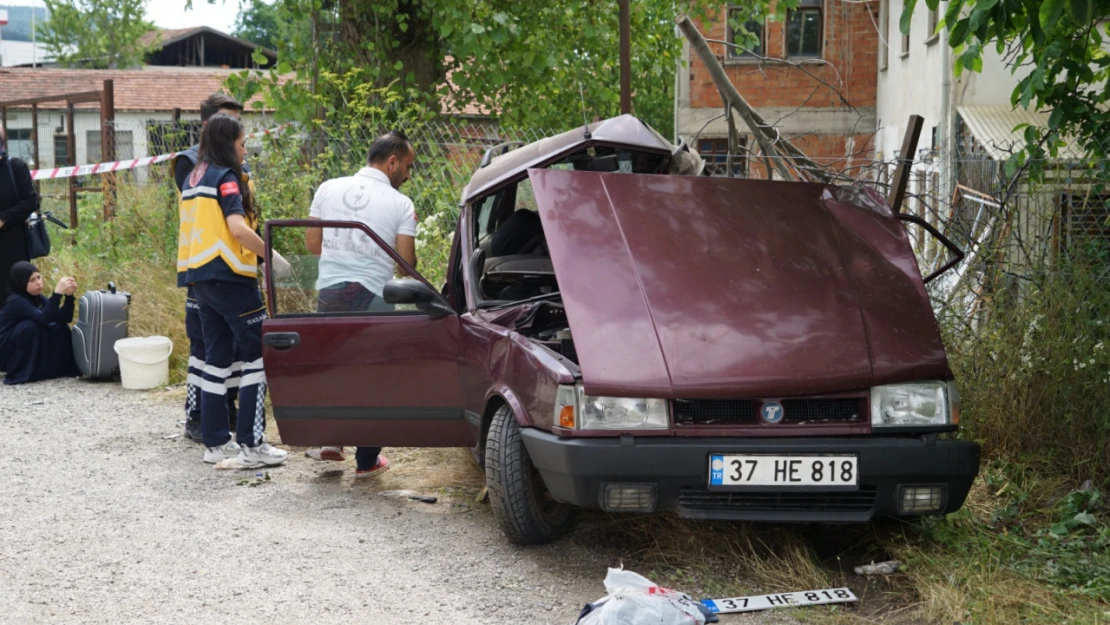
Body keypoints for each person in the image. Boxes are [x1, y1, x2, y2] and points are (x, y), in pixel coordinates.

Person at [302, 130, 420, 478]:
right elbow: (405, 264)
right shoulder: (401, 204)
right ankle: (367, 461)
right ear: (392, 162)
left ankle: (331, 440)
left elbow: (312, 244)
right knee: (373, 375)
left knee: (335, 365)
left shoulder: (327, 188)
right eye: (408, 166)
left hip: (330, 290)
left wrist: (344, 257)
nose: (409, 175)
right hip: (374, 294)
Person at [178, 113, 290, 469]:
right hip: (231, 277)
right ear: (230, 144)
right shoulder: (226, 179)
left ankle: (215, 443)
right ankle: (252, 444)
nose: (245, 152)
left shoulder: (195, 176)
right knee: (259, 355)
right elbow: (238, 228)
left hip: (200, 279)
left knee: (217, 358)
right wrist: (269, 256)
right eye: (242, 145)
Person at [172, 94, 247, 443]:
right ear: (208, 126)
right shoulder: (189, 163)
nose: (234, 129)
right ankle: (197, 416)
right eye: (226, 121)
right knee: (203, 346)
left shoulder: (238, 164)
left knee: (229, 348)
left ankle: (226, 415)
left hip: (234, 266)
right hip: (204, 265)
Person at [0, 261, 80, 385]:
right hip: (5, 347)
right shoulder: (16, 300)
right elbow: (44, 318)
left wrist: (69, 296)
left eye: (39, 277)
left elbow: (64, 318)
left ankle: (55, 368)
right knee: (31, 326)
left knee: (59, 325)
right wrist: (57, 294)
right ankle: (24, 370)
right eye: (32, 280)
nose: (38, 282)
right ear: (21, 283)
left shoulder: (38, 297)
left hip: (18, 340)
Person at [0, 128, 40, 304]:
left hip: (12, 245)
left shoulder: (14, 167)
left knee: (12, 299)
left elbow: (32, 201)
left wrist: (4, 218)